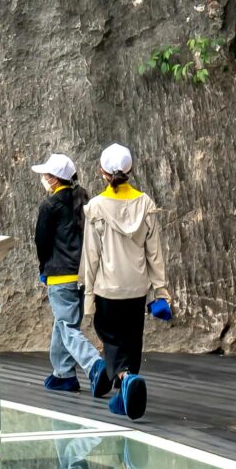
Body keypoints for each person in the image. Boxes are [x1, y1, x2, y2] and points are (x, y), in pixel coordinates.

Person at [77, 143, 171, 418]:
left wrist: (88, 295)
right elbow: (155, 253)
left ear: (101, 172)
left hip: (108, 287)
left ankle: (126, 378)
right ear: (130, 170)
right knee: (132, 338)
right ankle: (124, 394)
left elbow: (91, 255)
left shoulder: (96, 206)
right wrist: (160, 289)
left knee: (110, 337)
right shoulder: (146, 204)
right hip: (137, 286)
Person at [30, 152, 102, 394]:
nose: (43, 178)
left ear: (54, 179)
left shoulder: (49, 206)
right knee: (64, 323)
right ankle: (63, 374)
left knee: (67, 326)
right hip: (82, 275)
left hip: (60, 275)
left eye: (46, 175)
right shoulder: (83, 201)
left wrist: (43, 269)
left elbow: (42, 242)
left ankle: (94, 365)